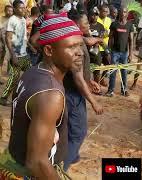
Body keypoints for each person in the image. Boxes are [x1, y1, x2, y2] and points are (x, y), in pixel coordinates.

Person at [0, 13, 83, 179]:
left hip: (11, 161)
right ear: (49, 50)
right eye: (71, 47)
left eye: (80, 45)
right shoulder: (51, 94)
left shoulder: (34, 72)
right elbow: (37, 163)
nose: (80, 52)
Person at [63, 11, 103, 171]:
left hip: (72, 91)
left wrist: (90, 80)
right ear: (77, 24)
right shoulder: (76, 44)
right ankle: (61, 168)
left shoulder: (78, 39)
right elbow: (77, 78)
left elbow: (80, 73)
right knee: (78, 133)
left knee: (69, 129)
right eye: (86, 22)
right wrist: (94, 102)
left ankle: (71, 156)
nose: (89, 24)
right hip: (72, 94)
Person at [0, 1, 31, 106]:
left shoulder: (23, 19)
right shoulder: (12, 20)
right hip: (16, 55)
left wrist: (30, 47)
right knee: (14, 77)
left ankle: (24, 95)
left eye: (24, 8)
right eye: (21, 8)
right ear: (15, 9)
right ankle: (3, 98)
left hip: (24, 53)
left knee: (30, 73)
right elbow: (8, 38)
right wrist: (13, 55)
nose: (24, 10)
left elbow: (23, 37)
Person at [105, 7, 134, 97]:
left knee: (124, 72)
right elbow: (110, 38)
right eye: (121, 12)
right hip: (114, 52)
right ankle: (110, 90)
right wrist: (108, 51)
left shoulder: (130, 25)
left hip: (124, 53)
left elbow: (131, 40)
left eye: (125, 12)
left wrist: (130, 54)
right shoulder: (114, 24)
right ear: (119, 13)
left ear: (127, 14)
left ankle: (124, 90)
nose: (123, 14)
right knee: (113, 71)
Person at [88, 9, 105, 84]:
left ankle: (96, 86)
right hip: (87, 50)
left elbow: (101, 39)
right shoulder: (87, 25)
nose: (95, 16)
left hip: (96, 51)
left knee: (97, 70)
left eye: (96, 15)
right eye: (93, 14)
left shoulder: (100, 26)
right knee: (86, 70)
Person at [97, 4, 112, 86]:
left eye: (107, 12)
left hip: (105, 46)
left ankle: (102, 78)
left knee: (108, 63)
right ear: (100, 11)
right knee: (98, 65)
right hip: (97, 46)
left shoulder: (109, 20)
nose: (105, 13)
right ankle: (97, 82)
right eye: (104, 11)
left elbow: (109, 33)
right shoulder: (96, 19)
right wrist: (104, 33)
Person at [0, 5, 13, 79]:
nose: (9, 12)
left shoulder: (13, 20)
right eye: (8, 10)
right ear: (5, 11)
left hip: (10, 42)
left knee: (9, 58)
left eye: (11, 11)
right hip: (2, 42)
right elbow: (1, 32)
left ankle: (8, 74)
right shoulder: (1, 18)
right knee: (1, 58)